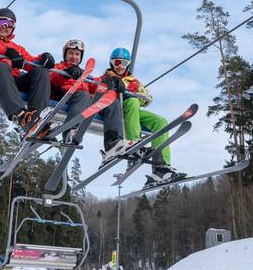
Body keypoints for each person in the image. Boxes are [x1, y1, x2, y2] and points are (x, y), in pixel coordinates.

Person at [101, 47, 185, 185]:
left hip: (132, 110)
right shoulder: (106, 77)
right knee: (133, 102)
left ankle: (161, 167)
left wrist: (136, 95)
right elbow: (99, 92)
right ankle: (134, 146)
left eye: (123, 63)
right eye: (117, 63)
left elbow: (148, 98)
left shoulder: (133, 81)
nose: (120, 66)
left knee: (160, 121)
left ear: (128, 64)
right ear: (111, 63)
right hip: (114, 110)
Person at [0, 8, 55, 133]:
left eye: (10, 24)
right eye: (2, 21)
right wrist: (4, 52)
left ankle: (37, 118)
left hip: (12, 79)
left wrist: (43, 58)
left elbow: (30, 62)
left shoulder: (15, 47)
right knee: (0, 65)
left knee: (41, 72)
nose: (5, 26)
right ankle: (19, 116)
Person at [49, 39, 126, 145]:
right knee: (83, 94)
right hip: (65, 96)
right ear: (65, 55)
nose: (74, 57)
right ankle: (70, 132)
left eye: (77, 54)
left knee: (113, 102)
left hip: (85, 101)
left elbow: (96, 85)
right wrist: (66, 72)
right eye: (71, 53)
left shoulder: (85, 74)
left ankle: (113, 141)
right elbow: (51, 77)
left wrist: (111, 81)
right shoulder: (60, 67)